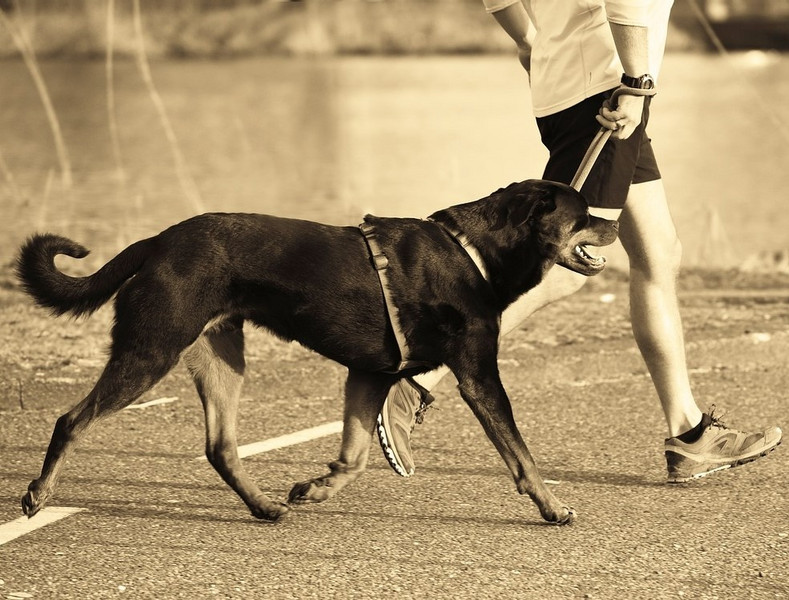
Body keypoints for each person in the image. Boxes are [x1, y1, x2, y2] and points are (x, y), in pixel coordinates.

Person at [376, 0, 782, 483]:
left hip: (582, 86)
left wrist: (529, 41)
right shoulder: (622, 83)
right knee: (563, 267)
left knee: (659, 251)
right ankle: (419, 377)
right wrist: (637, 82)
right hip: (610, 92)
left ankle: (691, 434)